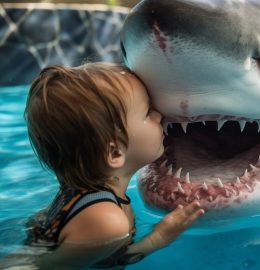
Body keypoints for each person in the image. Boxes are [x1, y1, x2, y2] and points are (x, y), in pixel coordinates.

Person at [23, 62, 205, 268]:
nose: (159, 116)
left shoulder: (83, 193)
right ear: (115, 153)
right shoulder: (108, 222)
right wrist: (158, 238)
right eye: (148, 112)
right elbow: (50, 267)